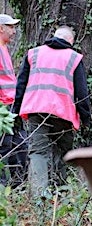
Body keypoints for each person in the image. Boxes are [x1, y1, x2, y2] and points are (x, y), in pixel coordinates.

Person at [12, 25, 91, 196]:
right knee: (64, 152)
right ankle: (60, 193)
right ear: (71, 41)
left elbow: (21, 85)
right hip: (63, 114)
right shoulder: (74, 57)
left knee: (37, 152)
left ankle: (39, 196)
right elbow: (82, 92)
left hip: (36, 110)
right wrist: (86, 119)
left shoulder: (33, 53)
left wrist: (15, 111)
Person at [0, 13, 28, 187]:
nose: (14, 31)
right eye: (10, 27)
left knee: (19, 143)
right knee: (4, 145)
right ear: (1, 28)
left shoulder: (4, 48)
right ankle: (3, 187)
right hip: (3, 105)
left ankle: (19, 184)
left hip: (12, 104)